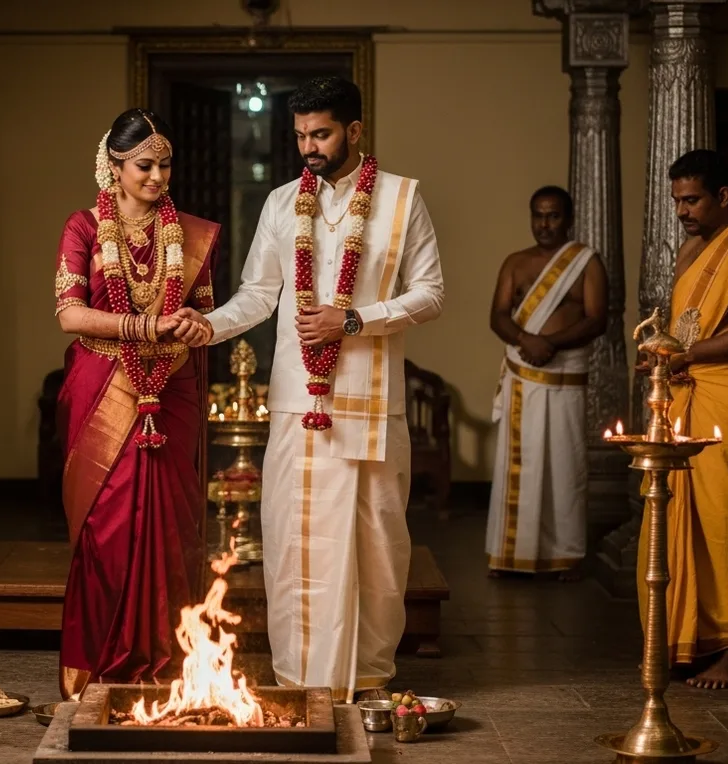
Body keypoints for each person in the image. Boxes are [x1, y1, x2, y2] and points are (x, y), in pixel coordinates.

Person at [175, 76, 444, 703]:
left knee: (377, 547)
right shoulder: (278, 203)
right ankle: (301, 681)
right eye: (299, 136)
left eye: (320, 133)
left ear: (354, 131)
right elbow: (258, 296)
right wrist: (204, 327)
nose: (308, 148)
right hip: (300, 403)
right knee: (295, 543)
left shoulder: (403, 200)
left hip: (372, 403)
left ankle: (368, 679)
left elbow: (431, 293)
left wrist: (353, 319)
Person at [53, 108, 220, 700]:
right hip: (103, 385)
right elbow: (70, 315)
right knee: (106, 526)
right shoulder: (83, 228)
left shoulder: (193, 234)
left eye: (165, 164)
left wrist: (197, 326)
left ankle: (169, 668)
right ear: (115, 166)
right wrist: (143, 327)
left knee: (172, 526)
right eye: (144, 165)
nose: (158, 176)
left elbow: (200, 310)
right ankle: (98, 667)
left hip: (170, 388)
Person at [638, 149, 728, 689]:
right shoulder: (691, 251)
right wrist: (660, 357)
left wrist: (688, 357)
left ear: (722, 196)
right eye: (677, 201)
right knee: (671, 512)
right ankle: (683, 637)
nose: (683, 211)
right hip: (683, 391)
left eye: (692, 199)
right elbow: (684, 330)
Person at [485, 186, 606, 581]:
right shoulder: (515, 263)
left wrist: (550, 342)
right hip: (523, 377)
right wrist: (526, 340)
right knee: (521, 464)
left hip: (565, 376)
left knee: (563, 465)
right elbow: (498, 315)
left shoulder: (586, 263)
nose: (544, 224)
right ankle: (511, 554)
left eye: (553, 216)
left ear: (568, 219)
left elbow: (596, 318)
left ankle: (564, 556)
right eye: (538, 215)